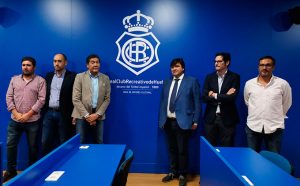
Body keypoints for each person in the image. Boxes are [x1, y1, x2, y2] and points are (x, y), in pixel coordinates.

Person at [158, 58, 201, 186]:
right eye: (172, 67)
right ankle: (173, 172)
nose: (174, 69)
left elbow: (197, 103)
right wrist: (161, 119)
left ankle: (183, 174)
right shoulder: (167, 82)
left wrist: (196, 121)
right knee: (171, 149)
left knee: (182, 150)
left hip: (183, 122)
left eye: (176, 66)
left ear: (183, 68)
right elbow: (163, 103)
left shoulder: (192, 81)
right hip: (168, 122)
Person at [4, 56, 46, 182]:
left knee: (32, 147)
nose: (25, 67)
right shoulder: (14, 80)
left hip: (32, 121)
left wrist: (28, 114)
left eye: (28, 65)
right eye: (23, 65)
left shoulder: (40, 81)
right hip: (15, 120)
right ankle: (11, 172)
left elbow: (42, 99)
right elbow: (8, 97)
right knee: (11, 145)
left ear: (34, 67)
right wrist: (16, 113)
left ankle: (31, 172)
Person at [244, 56, 292, 153]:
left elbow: (287, 103)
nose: (264, 67)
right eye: (261, 65)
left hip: (274, 127)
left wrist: (276, 116)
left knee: (274, 160)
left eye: (268, 65)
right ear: (258, 67)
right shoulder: (249, 84)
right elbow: (247, 102)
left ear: (273, 67)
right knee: (252, 158)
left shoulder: (282, 84)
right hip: (253, 126)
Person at [41, 53, 76, 155]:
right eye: (55, 61)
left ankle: (64, 168)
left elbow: (76, 96)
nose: (56, 63)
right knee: (45, 142)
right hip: (48, 113)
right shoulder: (49, 76)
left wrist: (74, 114)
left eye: (59, 61)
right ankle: (46, 168)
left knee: (64, 142)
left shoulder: (72, 76)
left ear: (65, 63)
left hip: (64, 114)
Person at [202, 52, 240, 146]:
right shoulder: (209, 77)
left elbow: (232, 98)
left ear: (227, 63)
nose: (216, 63)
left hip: (227, 119)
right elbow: (204, 97)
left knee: (227, 149)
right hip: (211, 118)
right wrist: (224, 95)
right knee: (210, 149)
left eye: (219, 61)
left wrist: (214, 95)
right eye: (215, 61)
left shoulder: (234, 77)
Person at [72, 54, 111, 144]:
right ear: (87, 65)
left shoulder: (105, 78)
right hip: (81, 115)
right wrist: (87, 116)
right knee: (80, 142)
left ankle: (98, 158)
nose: (95, 64)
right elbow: (75, 99)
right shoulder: (80, 77)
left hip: (99, 115)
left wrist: (96, 115)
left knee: (99, 142)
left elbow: (107, 99)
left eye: (97, 62)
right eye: (92, 62)